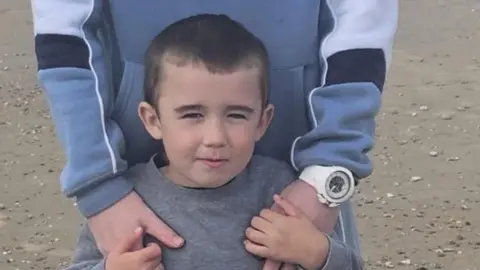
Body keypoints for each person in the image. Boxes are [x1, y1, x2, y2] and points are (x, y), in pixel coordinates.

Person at [31, 0, 398, 268]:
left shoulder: (282, 189)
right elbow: (64, 29)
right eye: (193, 115)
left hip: (302, 152)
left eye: (234, 116)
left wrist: (320, 244)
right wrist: (100, 183)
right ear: (152, 118)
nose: (215, 137)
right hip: (130, 156)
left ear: (262, 119)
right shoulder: (136, 192)